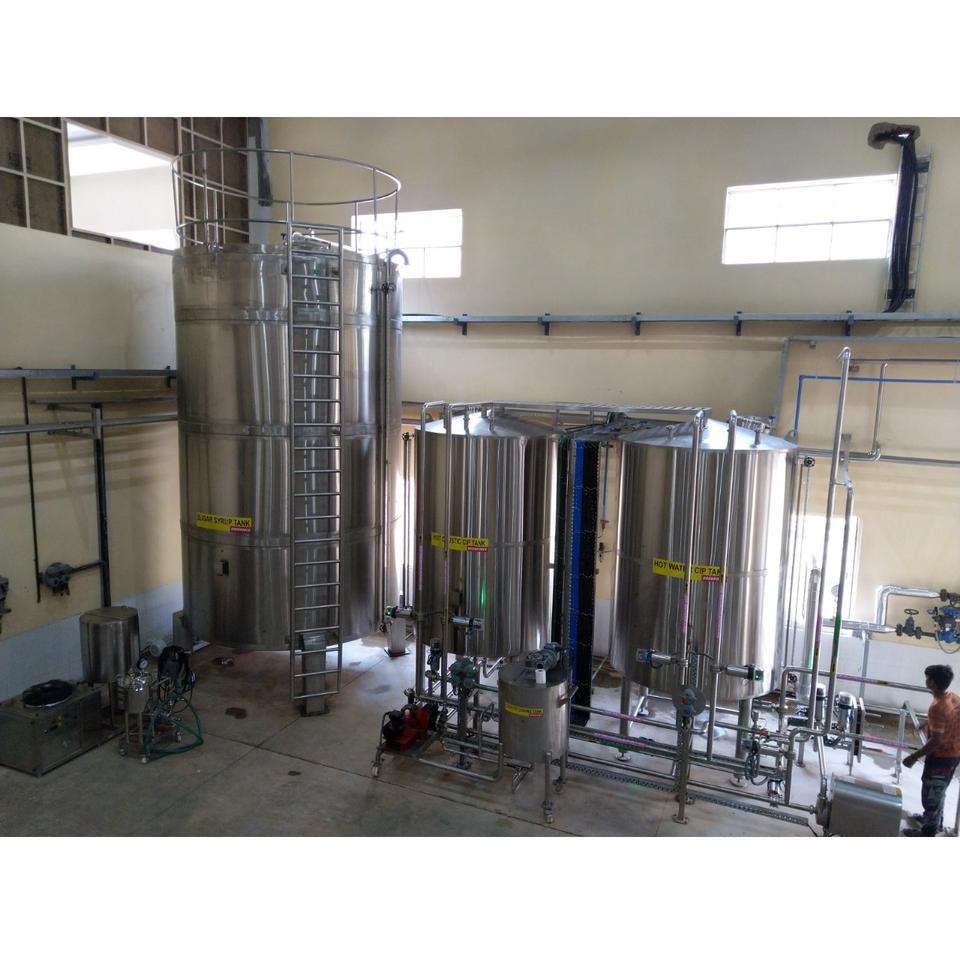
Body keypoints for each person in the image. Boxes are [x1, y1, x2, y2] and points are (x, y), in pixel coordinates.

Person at [903, 664, 960, 837]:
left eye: (928, 678)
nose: (926, 681)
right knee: (939, 791)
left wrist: (914, 757)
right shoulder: (952, 697)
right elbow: (949, 718)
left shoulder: (937, 707)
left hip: (941, 756)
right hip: (954, 753)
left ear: (933, 683)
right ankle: (935, 821)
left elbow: (935, 741)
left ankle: (928, 832)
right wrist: (928, 723)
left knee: (931, 796)